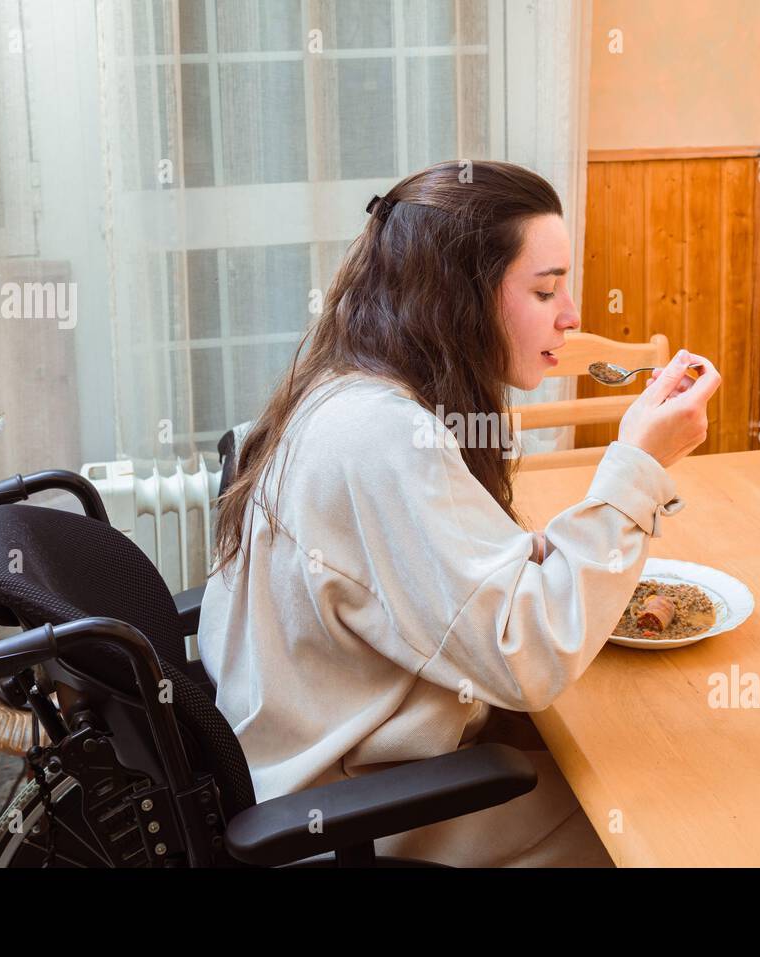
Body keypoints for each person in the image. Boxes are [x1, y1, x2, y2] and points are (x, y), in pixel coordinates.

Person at [197, 159, 720, 867]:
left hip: (324, 773)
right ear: (460, 297)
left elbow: (443, 577)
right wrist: (639, 466)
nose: (570, 314)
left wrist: (552, 549)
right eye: (546, 289)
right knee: (677, 820)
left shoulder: (349, 385)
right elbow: (527, 651)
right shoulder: (380, 438)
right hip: (359, 818)